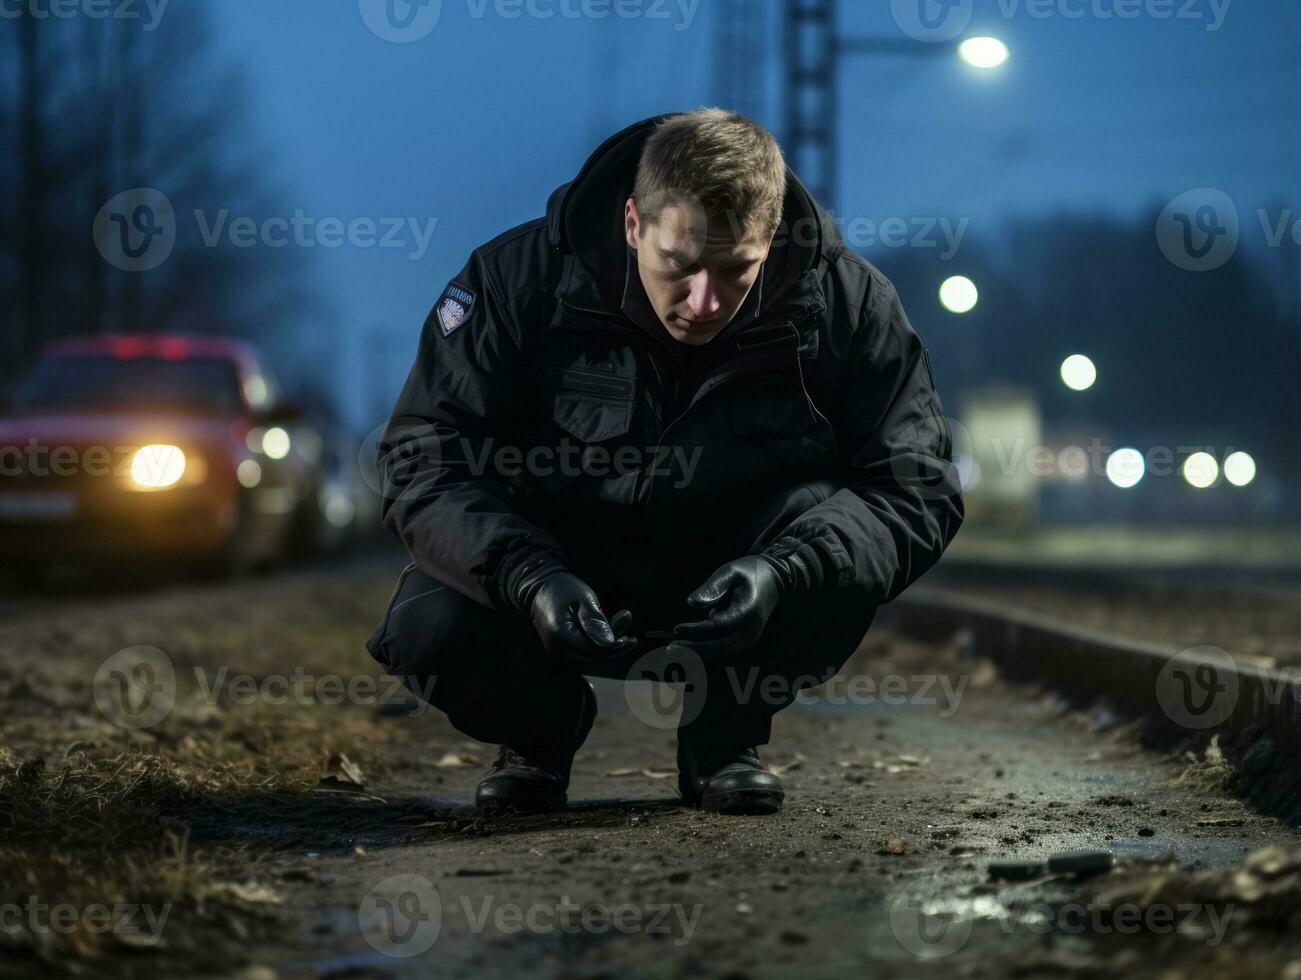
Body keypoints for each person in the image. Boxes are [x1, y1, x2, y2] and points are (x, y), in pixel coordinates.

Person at [366, 109, 962, 816]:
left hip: (735, 586)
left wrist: (786, 570)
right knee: (425, 626)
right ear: (631, 224)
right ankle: (538, 735)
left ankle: (722, 738)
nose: (703, 302)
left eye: (735, 269)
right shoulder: (513, 285)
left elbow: (916, 485)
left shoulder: (849, 306)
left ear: (769, 240)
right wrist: (527, 577)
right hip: (556, 573)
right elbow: (421, 459)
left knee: (829, 541)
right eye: (678, 266)